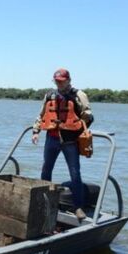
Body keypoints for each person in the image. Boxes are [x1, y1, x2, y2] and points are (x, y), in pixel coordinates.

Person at [32, 68, 94, 220]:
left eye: (61, 81)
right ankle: (43, 202)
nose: (59, 84)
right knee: (46, 170)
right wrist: (36, 131)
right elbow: (41, 115)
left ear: (68, 80)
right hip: (51, 139)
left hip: (70, 141)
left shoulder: (79, 95)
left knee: (75, 173)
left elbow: (88, 116)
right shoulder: (49, 95)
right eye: (56, 81)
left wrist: (77, 129)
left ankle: (78, 207)